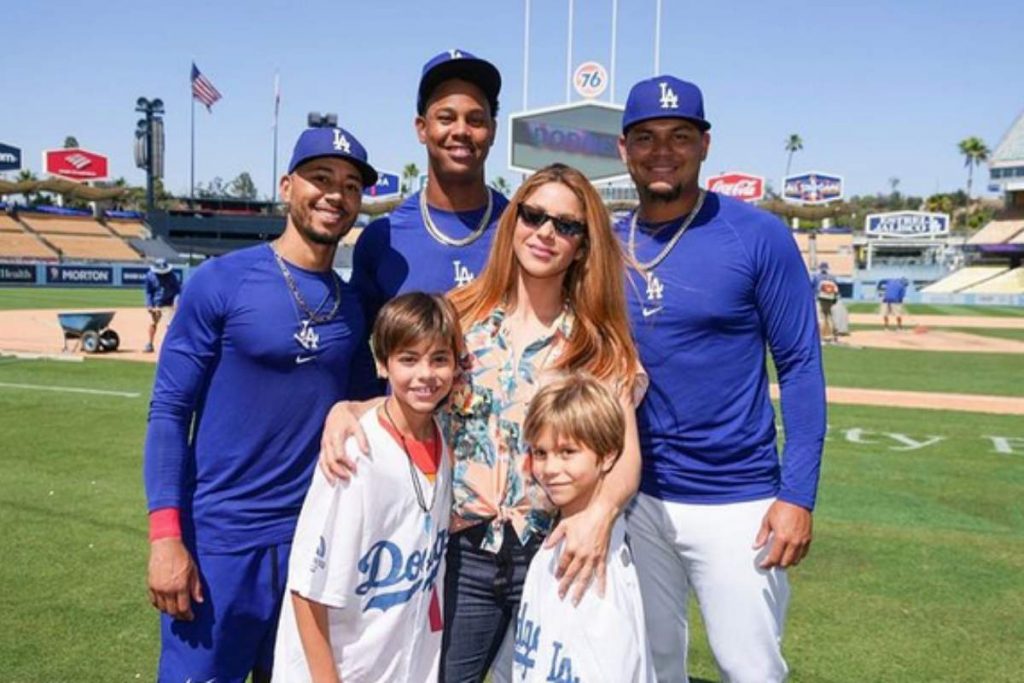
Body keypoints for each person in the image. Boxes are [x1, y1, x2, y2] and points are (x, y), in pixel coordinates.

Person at [320, 163, 644, 683]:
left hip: (557, 551)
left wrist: (601, 512)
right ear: (513, 222)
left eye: (566, 225)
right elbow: (406, 397)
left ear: (583, 245)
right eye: (534, 216)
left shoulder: (597, 344)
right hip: (461, 555)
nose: (545, 233)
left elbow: (626, 454)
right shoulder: (458, 317)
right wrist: (349, 409)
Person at [143, 125, 377, 683]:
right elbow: (170, 412)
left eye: (349, 185)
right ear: (287, 185)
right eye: (320, 179)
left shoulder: (351, 305)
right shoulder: (219, 281)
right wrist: (166, 538)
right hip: (220, 545)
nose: (335, 195)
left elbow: (374, 405)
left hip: (311, 546)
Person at [614, 75, 827, 682]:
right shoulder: (605, 241)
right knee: (650, 664)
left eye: (680, 136)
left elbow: (802, 366)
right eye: (647, 137)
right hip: (635, 495)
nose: (663, 150)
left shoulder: (757, 235)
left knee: (750, 667)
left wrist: (798, 494)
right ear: (624, 150)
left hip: (738, 499)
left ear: (705, 145)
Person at [273, 292, 461, 682]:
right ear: (382, 363)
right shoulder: (353, 454)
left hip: (399, 665)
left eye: (439, 359)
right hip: (339, 668)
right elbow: (307, 589)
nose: (425, 374)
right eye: (408, 359)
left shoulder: (443, 443)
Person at [351, 49, 507, 396]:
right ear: (422, 128)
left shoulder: (522, 231)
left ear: (493, 131)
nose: (461, 131)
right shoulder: (384, 238)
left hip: (502, 443)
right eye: (446, 117)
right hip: (409, 443)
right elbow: (358, 355)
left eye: (476, 120)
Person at [514, 375, 654, 683]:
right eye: (540, 453)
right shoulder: (560, 541)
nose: (550, 469)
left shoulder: (594, 566)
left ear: (607, 456)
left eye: (567, 452)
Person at [143, 258, 181, 353]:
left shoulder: (172, 276)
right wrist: (149, 305)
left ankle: (170, 345)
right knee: (152, 323)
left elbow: (177, 290)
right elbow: (148, 292)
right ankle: (150, 344)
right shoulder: (150, 276)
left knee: (170, 325)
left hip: (168, 303)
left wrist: (176, 301)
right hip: (156, 304)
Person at [813, 261, 841, 343]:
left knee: (821, 318)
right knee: (830, 318)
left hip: (820, 299)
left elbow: (813, 287)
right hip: (830, 299)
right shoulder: (832, 277)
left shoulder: (816, 277)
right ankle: (833, 337)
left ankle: (821, 338)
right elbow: (836, 289)